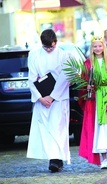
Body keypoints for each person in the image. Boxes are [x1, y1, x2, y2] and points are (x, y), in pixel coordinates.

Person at [27, 29, 71, 172]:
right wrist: (40, 97)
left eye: (51, 47)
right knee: (46, 128)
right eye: (46, 47)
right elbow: (32, 78)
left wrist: (52, 96)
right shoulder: (34, 55)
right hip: (42, 97)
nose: (49, 50)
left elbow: (65, 77)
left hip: (59, 96)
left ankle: (57, 159)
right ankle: (53, 157)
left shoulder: (63, 55)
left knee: (58, 127)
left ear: (55, 43)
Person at [78, 36, 107, 169]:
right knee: (98, 128)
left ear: (103, 47)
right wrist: (86, 87)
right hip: (94, 101)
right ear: (91, 48)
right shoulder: (87, 64)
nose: (97, 49)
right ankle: (103, 158)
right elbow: (84, 82)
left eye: (100, 46)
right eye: (95, 46)